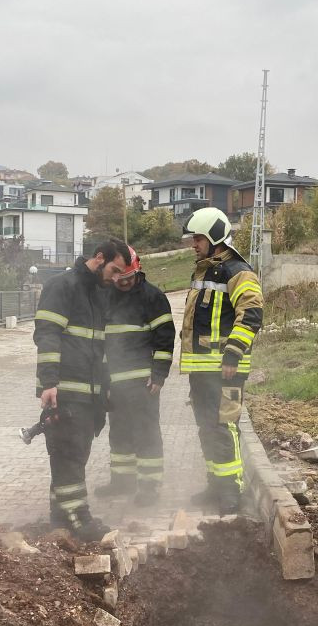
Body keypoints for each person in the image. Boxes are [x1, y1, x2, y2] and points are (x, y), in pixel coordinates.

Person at [34, 239, 132, 539]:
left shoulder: (97, 294)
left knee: (73, 455)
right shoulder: (62, 286)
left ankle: (59, 518)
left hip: (87, 394)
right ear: (99, 258)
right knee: (69, 455)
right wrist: (49, 384)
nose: (116, 278)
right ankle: (80, 519)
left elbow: (98, 349)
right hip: (64, 391)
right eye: (114, 270)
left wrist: (105, 389)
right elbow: (47, 335)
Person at [180, 208, 264, 515]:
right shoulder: (203, 271)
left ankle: (232, 491)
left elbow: (252, 314)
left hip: (226, 367)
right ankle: (215, 484)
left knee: (224, 426)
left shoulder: (238, 271)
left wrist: (233, 353)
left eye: (199, 238)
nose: (194, 244)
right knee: (206, 427)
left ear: (214, 237)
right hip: (202, 369)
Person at [95, 246, 175, 506]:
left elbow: (165, 338)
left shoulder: (153, 297)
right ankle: (122, 482)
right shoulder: (107, 297)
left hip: (143, 382)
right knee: (119, 432)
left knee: (146, 432)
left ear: (138, 271)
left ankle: (149, 487)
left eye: (129, 277)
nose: (125, 282)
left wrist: (159, 374)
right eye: (121, 278)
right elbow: (103, 344)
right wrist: (104, 380)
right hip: (116, 381)